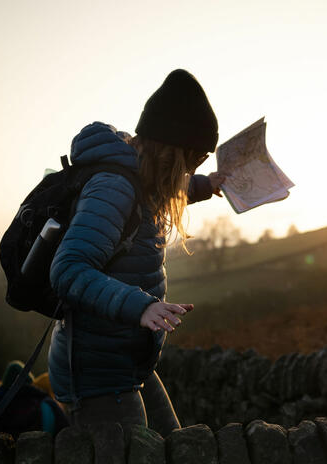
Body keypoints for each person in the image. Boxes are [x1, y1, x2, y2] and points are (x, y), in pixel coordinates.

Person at [48, 69, 224, 437]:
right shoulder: (115, 187)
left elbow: (160, 191)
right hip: (96, 375)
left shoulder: (141, 176)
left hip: (126, 361)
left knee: (177, 455)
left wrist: (206, 185)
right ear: (173, 154)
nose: (196, 168)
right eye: (195, 161)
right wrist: (140, 306)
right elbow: (67, 270)